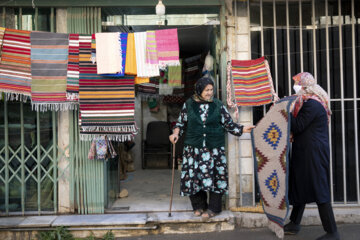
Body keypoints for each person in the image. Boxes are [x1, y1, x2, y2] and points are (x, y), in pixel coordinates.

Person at [169, 77, 254, 219]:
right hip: (193, 148)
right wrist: (175, 134)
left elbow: (228, 124)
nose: (209, 93)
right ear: (199, 90)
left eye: (211, 90)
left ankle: (214, 208)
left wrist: (243, 128)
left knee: (215, 178)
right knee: (194, 177)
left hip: (213, 149)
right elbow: (180, 123)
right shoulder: (189, 104)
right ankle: (198, 206)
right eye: (206, 90)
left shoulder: (218, 105)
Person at [285, 72, 340, 240]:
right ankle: (294, 223)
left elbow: (299, 125)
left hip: (313, 154)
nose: (296, 87)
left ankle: (332, 232)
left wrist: (285, 112)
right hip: (308, 152)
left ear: (304, 86)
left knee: (319, 190)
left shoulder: (312, 105)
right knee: (302, 185)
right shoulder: (310, 102)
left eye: (297, 84)